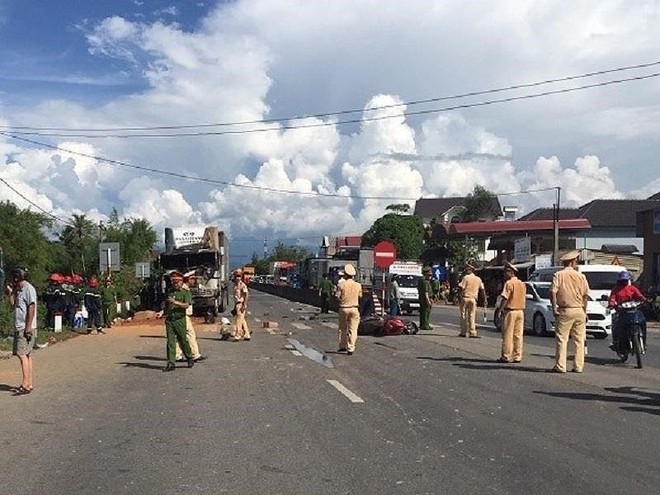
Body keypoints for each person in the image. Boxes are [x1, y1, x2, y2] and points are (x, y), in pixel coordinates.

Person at [550, 250, 590, 373]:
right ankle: (578, 366)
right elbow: (586, 295)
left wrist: (554, 308)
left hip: (565, 310)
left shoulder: (558, 275)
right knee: (579, 340)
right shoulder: (581, 276)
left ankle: (561, 366)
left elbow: (553, 292)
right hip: (579, 310)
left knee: (562, 338)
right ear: (573, 262)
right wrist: (584, 310)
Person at [5, 268, 37, 395]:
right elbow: (13, 306)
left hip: (25, 327)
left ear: (17, 277)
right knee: (26, 354)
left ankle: (25, 384)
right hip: (19, 326)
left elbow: (32, 307)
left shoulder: (29, 289)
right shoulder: (19, 290)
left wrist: (28, 327)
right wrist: (10, 292)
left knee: (21, 354)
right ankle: (28, 383)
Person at [156, 271, 195, 372]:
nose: (175, 284)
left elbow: (186, 305)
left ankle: (189, 357)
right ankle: (171, 363)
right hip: (170, 320)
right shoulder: (170, 291)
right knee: (170, 342)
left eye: (177, 282)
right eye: (173, 282)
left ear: (181, 282)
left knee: (183, 340)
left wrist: (176, 302)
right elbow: (168, 305)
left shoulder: (185, 292)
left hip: (180, 319)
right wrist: (162, 312)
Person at [607, 270, 646, 350]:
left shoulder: (632, 288)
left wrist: (643, 299)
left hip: (633, 310)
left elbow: (639, 296)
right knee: (616, 324)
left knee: (642, 320)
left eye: (625, 280)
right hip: (621, 312)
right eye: (622, 280)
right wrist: (612, 303)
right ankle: (616, 342)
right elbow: (612, 298)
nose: (623, 282)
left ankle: (643, 342)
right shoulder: (616, 289)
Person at [496, 263, 527, 363]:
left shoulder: (509, 283)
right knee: (518, 335)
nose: (504, 274)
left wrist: (500, 310)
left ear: (511, 272)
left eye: (506, 272)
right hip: (520, 311)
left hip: (510, 311)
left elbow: (505, 298)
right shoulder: (522, 284)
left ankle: (506, 356)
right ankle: (517, 356)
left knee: (508, 334)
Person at [175, 277, 206, 362]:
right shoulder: (184, 289)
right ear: (188, 279)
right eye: (193, 279)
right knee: (190, 334)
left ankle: (177, 355)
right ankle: (194, 354)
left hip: (184, 315)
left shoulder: (186, 288)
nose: (195, 281)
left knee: (180, 335)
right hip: (183, 315)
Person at [336, 263, 362, 355]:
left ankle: (342, 346)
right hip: (354, 308)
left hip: (344, 308)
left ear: (345, 275)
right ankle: (351, 348)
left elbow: (337, 297)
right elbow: (360, 296)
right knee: (353, 329)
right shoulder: (358, 285)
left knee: (342, 328)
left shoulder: (341, 285)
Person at [458, 263, 486, 338]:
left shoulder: (465, 278)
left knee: (463, 315)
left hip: (465, 297)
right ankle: (473, 332)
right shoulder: (478, 279)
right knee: (472, 315)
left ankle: (463, 332)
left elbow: (461, 287)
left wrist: (460, 297)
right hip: (473, 299)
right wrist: (485, 299)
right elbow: (482, 290)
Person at [232, 269, 251, 341]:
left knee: (238, 321)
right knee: (242, 320)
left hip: (241, 304)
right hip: (237, 304)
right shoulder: (235, 285)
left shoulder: (243, 285)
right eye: (236, 276)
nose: (238, 277)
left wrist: (244, 304)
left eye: (239, 276)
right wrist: (234, 307)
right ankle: (247, 334)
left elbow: (246, 295)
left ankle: (238, 335)